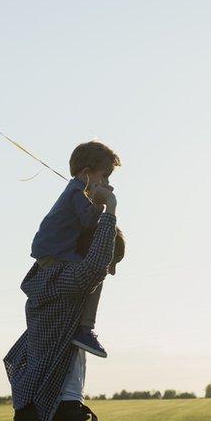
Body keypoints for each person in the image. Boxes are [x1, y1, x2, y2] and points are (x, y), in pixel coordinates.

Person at [6, 184, 120, 421]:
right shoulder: (68, 283)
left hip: (38, 405)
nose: (111, 272)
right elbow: (96, 264)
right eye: (113, 261)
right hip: (54, 408)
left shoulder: (51, 282)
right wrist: (109, 205)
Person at [30, 141, 121, 357]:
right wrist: (102, 203)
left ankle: (83, 327)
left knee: (90, 275)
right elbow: (89, 221)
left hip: (51, 251)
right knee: (94, 276)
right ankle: (85, 329)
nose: (108, 182)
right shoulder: (77, 193)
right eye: (105, 176)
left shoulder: (75, 191)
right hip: (56, 253)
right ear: (87, 173)